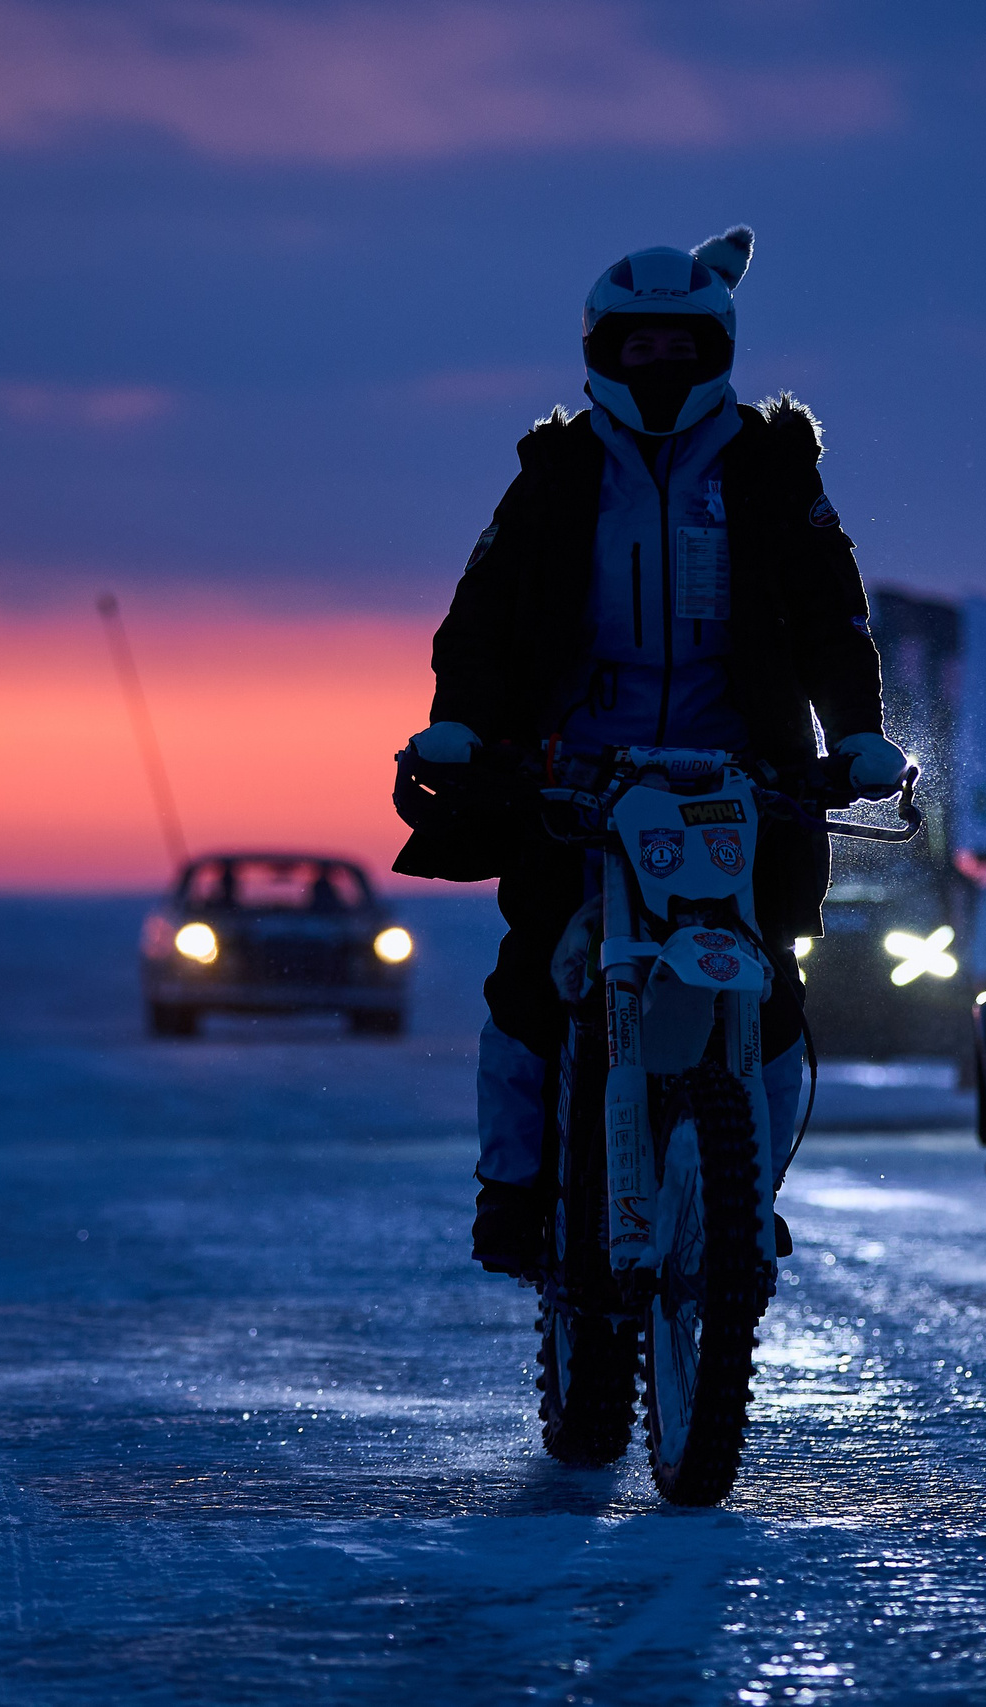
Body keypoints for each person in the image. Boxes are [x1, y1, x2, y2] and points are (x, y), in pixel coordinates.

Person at [390, 226, 907, 1274]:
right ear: (601, 350)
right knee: (533, 977)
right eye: (641, 347)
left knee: (770, 995)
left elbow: (831, 622)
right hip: (576, 780)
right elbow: (482, 617)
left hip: (743, 784)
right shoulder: (556, 472)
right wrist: (461, 721)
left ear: (717, 345)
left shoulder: (772, 469)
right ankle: (512, 1185)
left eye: (682, 346)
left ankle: (739, 1195)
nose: (661, 366)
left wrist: (854, 737)